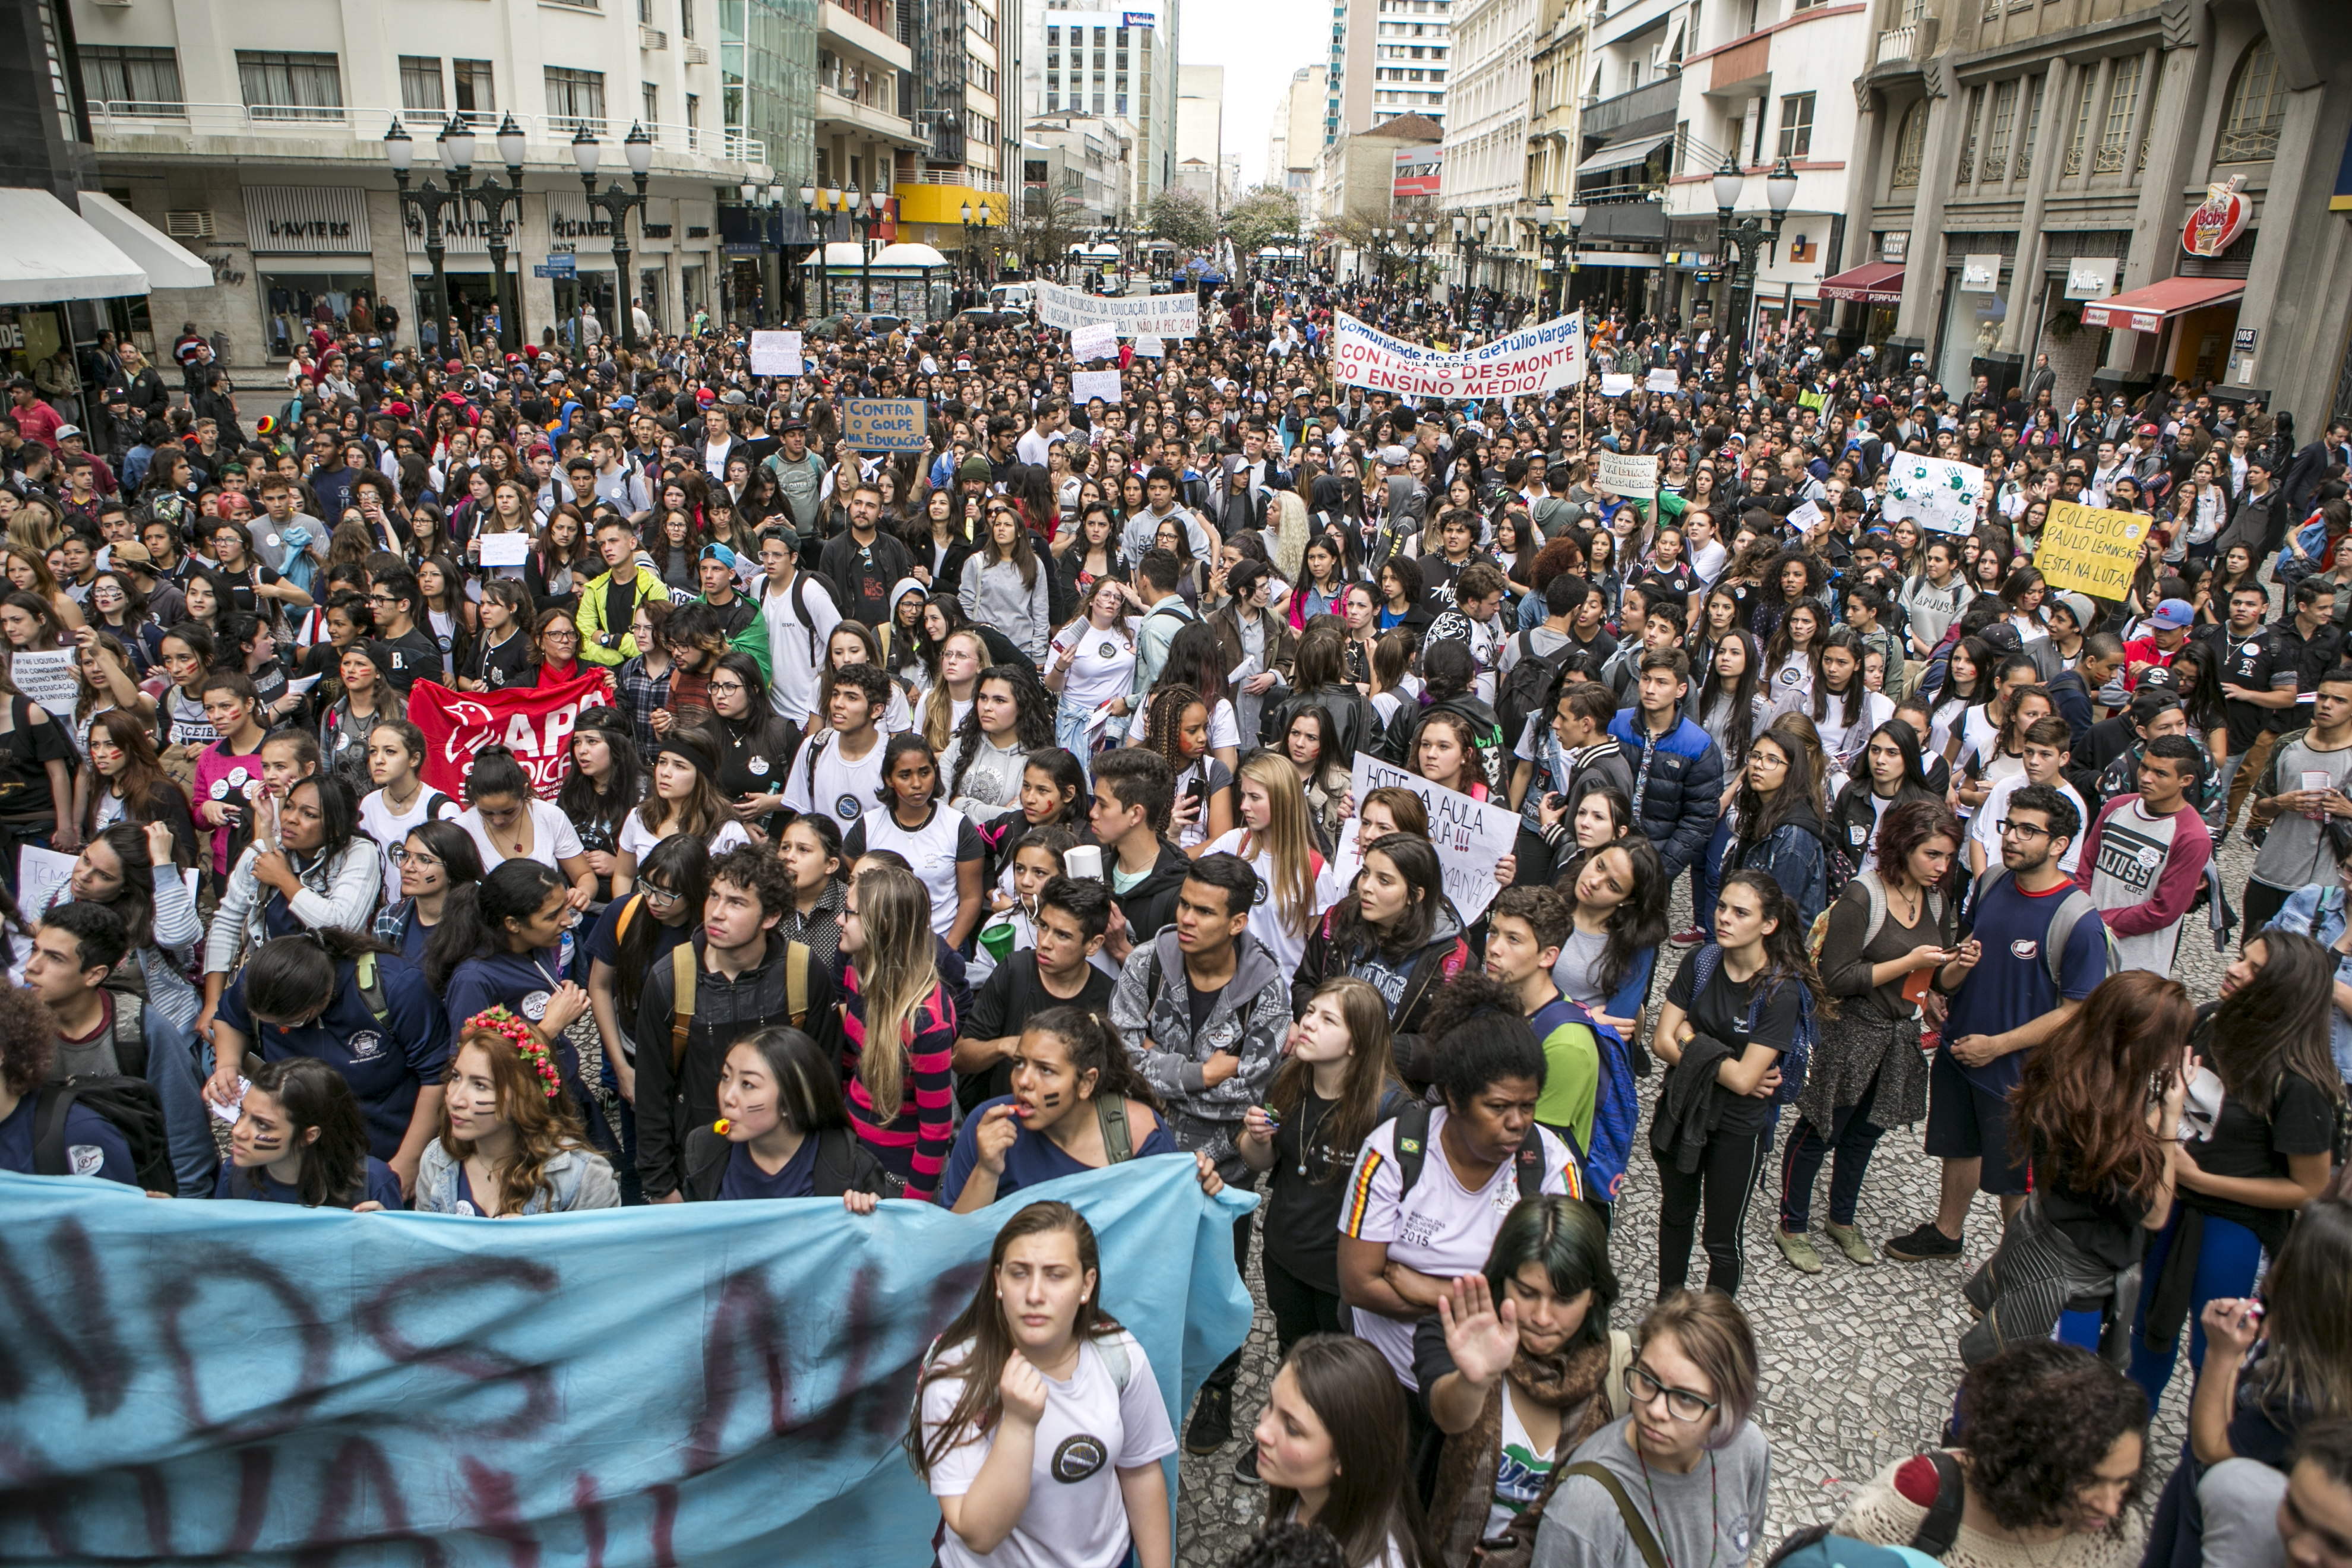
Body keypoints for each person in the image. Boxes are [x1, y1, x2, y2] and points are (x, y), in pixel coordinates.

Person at [1339, 989, 1579, 1492]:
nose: (1518, 1123)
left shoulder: (1551, 1167)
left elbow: (1556, 1303)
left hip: (1495, 1391)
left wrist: (1429, 1290)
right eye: (1498, 1107)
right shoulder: (1393, 1155)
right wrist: (1489, 1300)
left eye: (1529, 1106)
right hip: (1390, 1382)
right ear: (1452, 1098)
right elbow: (1360, 1285)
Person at [1109, 852, 1290, 1456]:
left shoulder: (1265, 990)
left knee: (1219, 1281)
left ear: (1237, 922)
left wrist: (1169, 1074)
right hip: (1145, 1156)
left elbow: (1252, 1089)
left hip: (1226, 1168)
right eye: (1184, 904)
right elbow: (1122, 1056)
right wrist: (1199, 1073)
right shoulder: (1147, 961)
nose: (1187, 919)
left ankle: (1217, 1389)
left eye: (1204, 912)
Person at [1888, 785, 2108, 1263]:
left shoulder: (2079, 920)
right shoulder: (1989, 882)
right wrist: (1937, 993)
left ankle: (2017, 1273)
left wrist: (1999, 1046)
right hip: (1961, 1051)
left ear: (2060, 845)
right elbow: (1963, 951)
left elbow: (2076, 1014)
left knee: (2017, 1180)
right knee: (1959, 1147)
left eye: (2028, 831)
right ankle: (1948, 1234)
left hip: (2018, 1076)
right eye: (2010, 826)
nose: (2010, 838)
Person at [2128, 928, 2340, 1408]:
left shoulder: (2300, 1082)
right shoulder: (2208, 1020)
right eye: (2242, 958)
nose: (2234, 969)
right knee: (2147, 1327)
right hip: (2170, 1203)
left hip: (2234, 1229)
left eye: (2254, 970)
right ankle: (2128, 1432)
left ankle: (2205, 1460)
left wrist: (2204, 1180)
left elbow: (2308, 1189)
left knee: (2217, 1351)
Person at [909, 1200, 1177, 1568]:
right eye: (1019, 1273)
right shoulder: (956, 1375)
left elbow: (1141, 1470)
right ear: (997, 1282)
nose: (1035, 1294)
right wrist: (1018, 1424)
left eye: (1055, 1275)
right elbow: (980, 1535)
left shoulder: (1119, 1356)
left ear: (1087, 1285)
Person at [1959, 972, 2189, 1362]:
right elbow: (2154, 1213)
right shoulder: (2116, 1130)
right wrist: (2169, 1120)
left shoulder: (2068, 1076)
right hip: (2073, 1289)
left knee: (2000, 1371)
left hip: (2041, 1239)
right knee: (2049, 1392)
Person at [1776, 801, 1961, 1275]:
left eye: (1947, 856)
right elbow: (1837, 976)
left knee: (1865, 1133)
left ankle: (1842, 1220)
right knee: (1822, 1128)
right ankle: (1792, 1224)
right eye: (1933, 855)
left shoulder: (1936, 899)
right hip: (1852, 1033)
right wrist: (1908, 961)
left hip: (1898, 1037)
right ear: (1904, 847)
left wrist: (1958, 965)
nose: (1942, 867)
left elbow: (1939, 980)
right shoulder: (1864, 898)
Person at [1421, 1199, 1629, 1566]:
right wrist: (1476, 1380)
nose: (1542, 1317)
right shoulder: (1459, 1331)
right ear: (1502, 1281)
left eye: (1564, 1299)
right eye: (1527, 1293)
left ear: (1594, 1296)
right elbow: (1447, 1415)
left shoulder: (1622, 1370)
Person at [1650, 871, 1825, 1297]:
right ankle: (1666, 1312)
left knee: (1721, 1239)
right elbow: (1659, 1041)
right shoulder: (1702, 961)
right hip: (1683, 1108)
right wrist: (1722, 1061)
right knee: (1676, 1216)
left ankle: (1715, 1331)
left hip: (1737, 1128)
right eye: (1722, 907)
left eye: (1740, 912)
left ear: (1768, 925)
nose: (1724, 918)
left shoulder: (1780, 991)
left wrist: (1690, 1038)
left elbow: (1748, 1081)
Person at [633, 843, 838, 1202]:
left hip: (789, 1177)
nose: (715, 913)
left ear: (771, 917)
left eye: (736, 903)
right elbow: (653, 1094)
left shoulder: (804, 973)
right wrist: (662, 1188)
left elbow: (826, 1082)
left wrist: (827, 1176)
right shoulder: (670, 978)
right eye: (714, 896)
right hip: (699, 1173)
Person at [1831, 1341, 2150, 1566]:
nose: (2111, 1506)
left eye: (2124, 1482)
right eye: (2087, 1481)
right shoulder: (1918, 1498)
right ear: (2026, 1460)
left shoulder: (2117, 1534)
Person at [1529, 1291, 1769, 1568]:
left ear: (1727, 1409)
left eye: (1686, 1398)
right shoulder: (1584, 1508)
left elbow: (1743, 1557)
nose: (1655, 1410)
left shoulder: (1747, 1449)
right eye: (1647, 1380)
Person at [1238, 978, 1405, 1371]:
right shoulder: (1287, 1080)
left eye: (1329, 1020)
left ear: (1356, 1043)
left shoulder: (1391, 1111)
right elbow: (1258, 1162)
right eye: (1310, 1012)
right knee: (1293, 1357)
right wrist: (1257, 1138)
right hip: (1283, 1257)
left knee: (1338, 1376)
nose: (1309, 1023)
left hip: (1342, 1277)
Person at [206, 925, 448, 1197]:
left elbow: (437, 1075)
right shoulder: (263, 976)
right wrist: (227, 1064)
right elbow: (228, 1018)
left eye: (290, 1024)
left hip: (383, 1150)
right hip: (296, 1159)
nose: (278, 1028)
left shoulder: (396, 987)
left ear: (324, 996)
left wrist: (409, 1161)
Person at [20, 900, 213, 1195]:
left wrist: (179, 1218)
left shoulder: (143, 1031)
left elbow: (186, 1140)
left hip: (129, 1201)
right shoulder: (15, 1027)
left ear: (94, 975)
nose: (32, 966)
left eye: (55, 958)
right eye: (35, 949)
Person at [943, 1003, 1188, 1212]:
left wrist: (1203, 1184)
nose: (1023, 1081)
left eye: (1046, 1070)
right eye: (1019, 1064)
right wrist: (986, 1171)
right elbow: (953, 1250)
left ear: (1086, 1083)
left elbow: (1174, 1226)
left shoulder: (1140, 1134)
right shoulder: (987, 1126)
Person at [1291, 833, 1474, 1088]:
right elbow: (1304, 984)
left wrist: (1374, 1046)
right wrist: (1319, 1023)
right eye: (1366, 873)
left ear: (1416, 895)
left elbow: (1448, 1048)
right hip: (1321, 1076)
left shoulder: (1452, 959)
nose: (1366, 886)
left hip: (1390, 1094)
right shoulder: (1339, 920)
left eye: (1384, 881)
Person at [413, 1011, 622, 1215]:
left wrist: (528, 1243)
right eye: (457, 1077)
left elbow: (601, 1250)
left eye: (480, 1085)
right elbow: (424, 1245)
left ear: (524, 1097)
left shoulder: (582, 1177)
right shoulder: (437, 1158)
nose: (455, 1099)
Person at [1250, 1335, 1431, 1568]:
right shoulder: (1303, 1497)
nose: (1261, 1432)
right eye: (1271, 1404)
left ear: (1349, 1455)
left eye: (1293, 1429)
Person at [839, 861, 958, 1200]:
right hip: (853, 1153)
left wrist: (911, 1211)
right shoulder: (856, 972)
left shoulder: (926, 1022)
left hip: (897, 1176)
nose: (839, 922)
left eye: (849, 914)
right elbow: (850, 1061)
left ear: (883, 925)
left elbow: (936, 1131)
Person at [955, 874, 1117, 1111]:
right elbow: (959, 1057)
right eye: (1043, 926)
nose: (1045, 942)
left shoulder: (1108, 997)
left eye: (1062, 935)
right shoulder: (1014, 972)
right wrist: (1004, 1046)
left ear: (1093, 945)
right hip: (1004, 1122)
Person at [200, 774, 382, 985]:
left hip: (330, 988)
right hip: (266, 983)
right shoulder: (262, 853)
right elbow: (228, 923)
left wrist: (283, 878)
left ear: (336, 827)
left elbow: (341, 926)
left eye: (309, 814)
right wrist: (213, 1004)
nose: (291, 819)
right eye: (289, 806)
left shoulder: (358, 852)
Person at [676, 1026, 886, 1208]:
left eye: (748, 1084)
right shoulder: (704, 1150)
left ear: (790, 1101)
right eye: (725, 1077)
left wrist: (868, 1215)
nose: (728, 1097)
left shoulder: (853, 1168)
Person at [1607, 649, 1724, 940]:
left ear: (1681, 689)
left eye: (1662, 682)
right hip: (1605, 849)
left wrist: (1661, 869)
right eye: (1646, 679)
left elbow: (1700, 818)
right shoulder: (1615, 724)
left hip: (1656, 859)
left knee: (1641, 941)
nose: (1649, 689)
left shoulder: (1698, 745)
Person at [2077, 734, 2210, 976]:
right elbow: (2085, 869)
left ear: (2186, 780)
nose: (2147, 778)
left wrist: (2097, 923)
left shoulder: (2192, 837)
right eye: (2144, 768)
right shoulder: (2115, 808)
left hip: (2135, 967)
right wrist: (2083, 918)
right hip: (2085, 943)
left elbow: (2164, 911)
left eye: (2161, 774)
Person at [211, 1057, 405, 1210]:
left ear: (309, 1136)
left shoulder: (373, 1183)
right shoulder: (235, 1174)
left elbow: (402, 1258)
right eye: (242, 1113)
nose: (237, 1131)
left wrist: (383, 1236)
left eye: (263, 1125)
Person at [845, 734, 986, 946]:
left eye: (924, 772)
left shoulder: (957, 826)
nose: (917, 783)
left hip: (941, 944)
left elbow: (971, 898)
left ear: (935, 772)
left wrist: (948, 949)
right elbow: (852, 885)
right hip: (882, 948)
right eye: (905, 775)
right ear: (888, 779)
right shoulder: (868, 826)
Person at [2243, 665, 2352, 935]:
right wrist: (2282, 803)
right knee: (2253, 953)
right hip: (2270, 874)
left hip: (2323, 888)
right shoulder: (2287, 744)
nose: (2326, 705)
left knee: (2298, 971)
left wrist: (2348, 809)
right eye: (2322, 697)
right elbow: (2260, 808)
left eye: (2340, 700)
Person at [1717, 719, 1832, 937]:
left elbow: (1779, 917)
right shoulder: (1763, 812)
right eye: (1756, 756)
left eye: (1772, 760)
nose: (1759, 765)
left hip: (1774, 954)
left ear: (1791, 771)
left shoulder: (1794, 836)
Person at [1089, 748, 1191, 950]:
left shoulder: (1180, 893)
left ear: (1136, 814)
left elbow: (1176, 977)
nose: (1093, 813)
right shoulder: (1096, 870)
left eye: (1103, 805)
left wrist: (1124, 951)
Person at [780, 662, 890, 832]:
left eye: (851, 697)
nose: (838, 703)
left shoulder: (891, 755)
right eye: (835, 694)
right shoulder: (814, 747)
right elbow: (802, 816)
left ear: (876, 710)